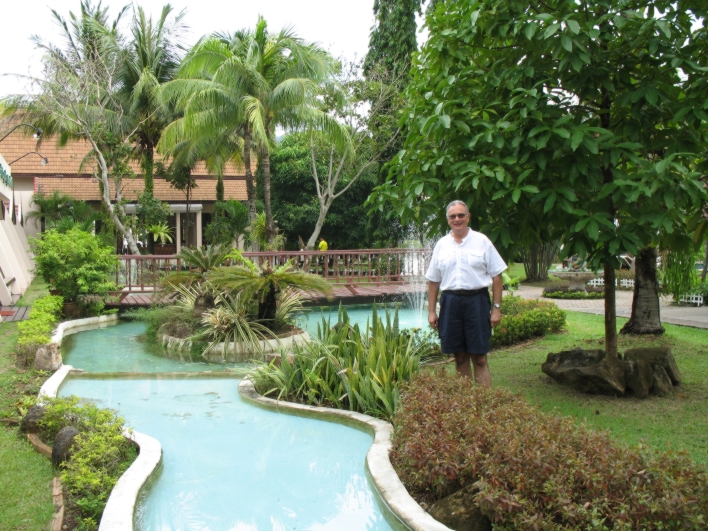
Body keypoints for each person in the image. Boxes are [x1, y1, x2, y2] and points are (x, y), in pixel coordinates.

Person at [426, 200, 507, 386]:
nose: (457, 219)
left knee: (479, 357)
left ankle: (483, 404)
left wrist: (496, 309)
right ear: (448, 220)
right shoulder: (441, 245)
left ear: (468, 217)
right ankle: (467, 405)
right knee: (460, 356)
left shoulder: (482, 241)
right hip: (450, 303)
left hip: (477, 302)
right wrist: (431, 311)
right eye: (453, 216)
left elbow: (497, 276)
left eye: (461, 215)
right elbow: (433, 280)